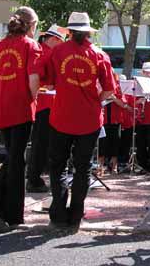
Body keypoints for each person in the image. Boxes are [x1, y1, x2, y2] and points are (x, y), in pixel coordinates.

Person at [46, 12, 115, 229]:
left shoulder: (57, 51)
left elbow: (48, 84)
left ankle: (58, 215)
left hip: (62, 117)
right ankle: (76, 216)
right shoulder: (99, 54)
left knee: (57, 167)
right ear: (87, 32)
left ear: (70, 31)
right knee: (83, 167)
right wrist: (93, 100)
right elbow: (109, 90)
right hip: (89, 119)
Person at [0, 7, 41, 232]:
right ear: (31, 25)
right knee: (15, 159)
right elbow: (34, 79)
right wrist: (34, 98)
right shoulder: (31, 46)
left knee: (14, 158)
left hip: (1, 109)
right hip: (20, 108)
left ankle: (4, 211)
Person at [26, 24, 68, 193]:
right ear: (53, 39)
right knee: (42, 144)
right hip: (47, 103)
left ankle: (35, 177)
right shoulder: (47, 53)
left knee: (40, 143)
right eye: (60, 41)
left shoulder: (42, 51)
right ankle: (34, 179)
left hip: (44, 104)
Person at [98, 72, 130, 175]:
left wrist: (113, 98)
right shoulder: (100, 86)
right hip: (104, 119)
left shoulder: (118, 87)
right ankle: (100, 166)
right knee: (103, 144)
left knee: (115, 143)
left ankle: (114, 166)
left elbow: (123, 104)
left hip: (116, 120)